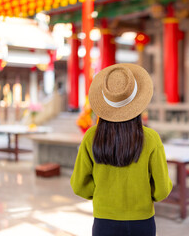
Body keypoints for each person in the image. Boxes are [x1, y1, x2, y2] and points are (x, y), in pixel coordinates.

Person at [70, 63, 173, 236]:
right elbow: (162, 189)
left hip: (104, 221)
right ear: (138, 101)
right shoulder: (151, 138)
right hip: (142, 222)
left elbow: (79, 185)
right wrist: (145, 197)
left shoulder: (91, 137)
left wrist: (101, 194)